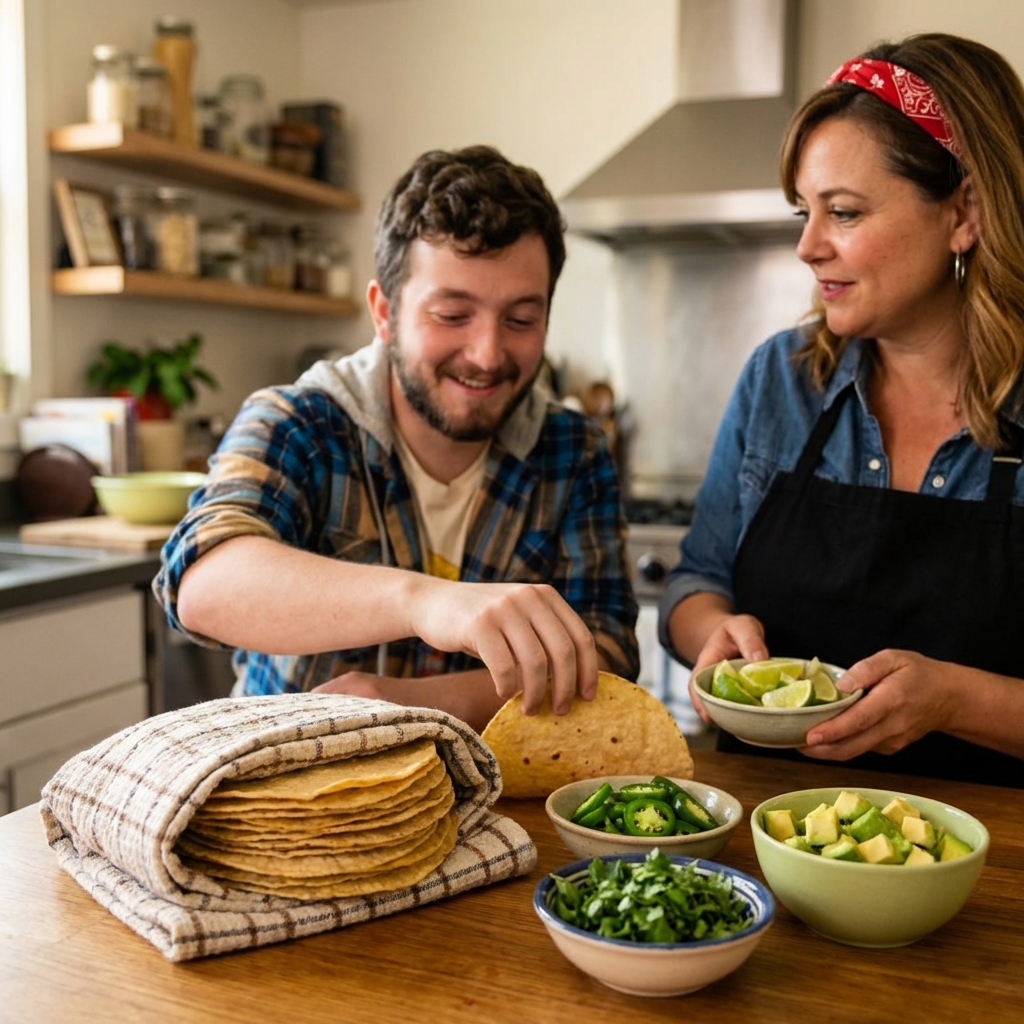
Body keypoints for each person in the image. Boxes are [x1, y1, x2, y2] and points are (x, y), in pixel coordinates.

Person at [155, 146, 639, 733]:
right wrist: (426, 601)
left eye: (520, 320)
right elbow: (204, 584)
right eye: (453, 315)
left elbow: (606, 652)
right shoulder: (297, 421)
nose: (487, 355)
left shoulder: (575, 451)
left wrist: (416, 705)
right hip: (283, 798)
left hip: (486, 799)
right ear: (384, 313)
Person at [659, 33, 1024, 786]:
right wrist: (711, 633)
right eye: (804, 212)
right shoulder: (779, 381)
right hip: (763, 840)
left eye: (845, 213)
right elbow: (695, 581)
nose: (808, 247)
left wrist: (953, 699)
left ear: (964, 212)